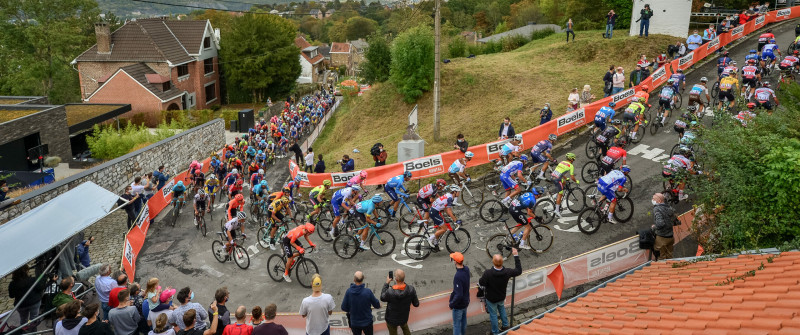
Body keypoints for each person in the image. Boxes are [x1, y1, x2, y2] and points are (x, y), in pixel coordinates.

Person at [479, 248, 522, 334]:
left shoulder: (488, 273)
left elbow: (481, 282)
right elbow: (519, 270)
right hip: (501, 296)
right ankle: (505, 326)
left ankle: (495, 332)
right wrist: (516, 255)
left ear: (493, 262)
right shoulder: (507, 272)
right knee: (502, 309)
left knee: (493, 315)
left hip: (491, 298)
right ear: (502, 262)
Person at [551, 153, 579, 218]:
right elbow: (572, 177)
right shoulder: (571, 166)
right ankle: (557, 211)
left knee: (563, 183)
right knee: (560, 194)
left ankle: (556, 195)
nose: (573, 161)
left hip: (552, 177)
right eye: (573, 159)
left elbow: (560, 171)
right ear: (571, 159)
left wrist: (566, 178)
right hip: (557, 179)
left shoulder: (562, 162)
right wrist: (576, 181)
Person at [449, 252, 469, 335]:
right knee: (463, 322)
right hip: (465, 301)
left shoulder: (457, 276)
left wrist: (452, 304)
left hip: (459, 305)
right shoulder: (466, 269)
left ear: (455, 262)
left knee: (456, 325)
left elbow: (458, 294)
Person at [652, 193, 677, 260]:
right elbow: (674, 220)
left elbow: (660, 224)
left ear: (659, 201)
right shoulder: (669, 207)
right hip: (671, 237)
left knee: (661, 258)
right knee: (670, 257)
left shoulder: (657, 209)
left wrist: (654, 227)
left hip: (662, 238)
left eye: (654, 199)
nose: (652, 200)